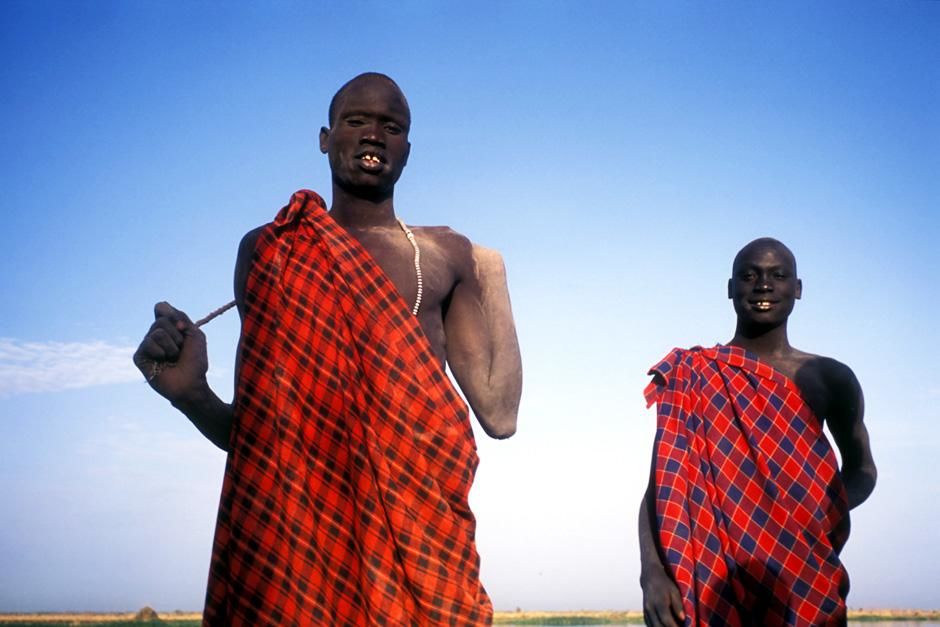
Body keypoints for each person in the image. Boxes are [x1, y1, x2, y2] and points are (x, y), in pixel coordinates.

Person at [133, 72, 522, 626]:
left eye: (391, 126)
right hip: (299, 548)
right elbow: (265, 438)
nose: (373, 135)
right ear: (325, 137)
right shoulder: (273, 251)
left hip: (422, 538)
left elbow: (500, 415)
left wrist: (495, 272)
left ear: (407, 148)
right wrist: (191, 395)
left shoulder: (445, 256)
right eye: (356, 121)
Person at [637, 238, 876, 627]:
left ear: (797, 289)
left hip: (802, 572)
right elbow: (661, 488)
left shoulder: (830, 377)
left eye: (778, 276)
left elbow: (863, 470)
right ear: (730, 288)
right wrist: (652, 574)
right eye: (749, 276)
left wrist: (811, 516)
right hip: (708, 576)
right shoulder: (694, 374)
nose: (763, 285)